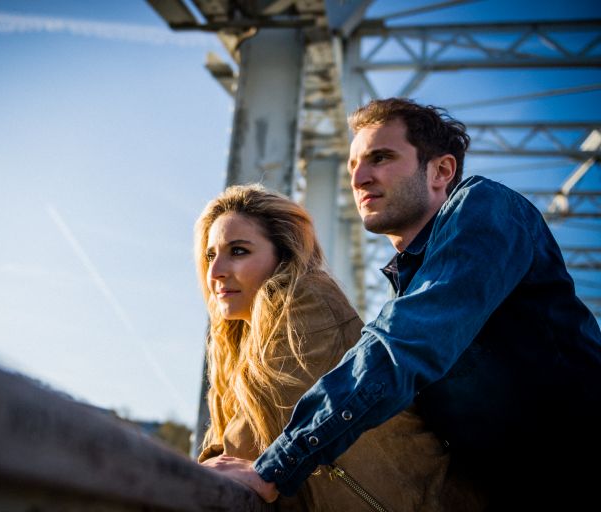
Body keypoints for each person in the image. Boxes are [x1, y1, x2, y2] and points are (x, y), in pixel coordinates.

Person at [205, 98, 601, 509]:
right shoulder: (409, 286)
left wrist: (277, 466)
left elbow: (402, 344)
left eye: (381, 157)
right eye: (353, 165)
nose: (358, 178)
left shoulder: (487, 210)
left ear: (441, 171)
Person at [194, 184, 485, 511]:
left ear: (283, 257)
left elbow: (250, 443)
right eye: (210, 254)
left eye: (238, 251)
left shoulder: (307, 302)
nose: (216, 272)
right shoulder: (243, 345)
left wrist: (197, 469)